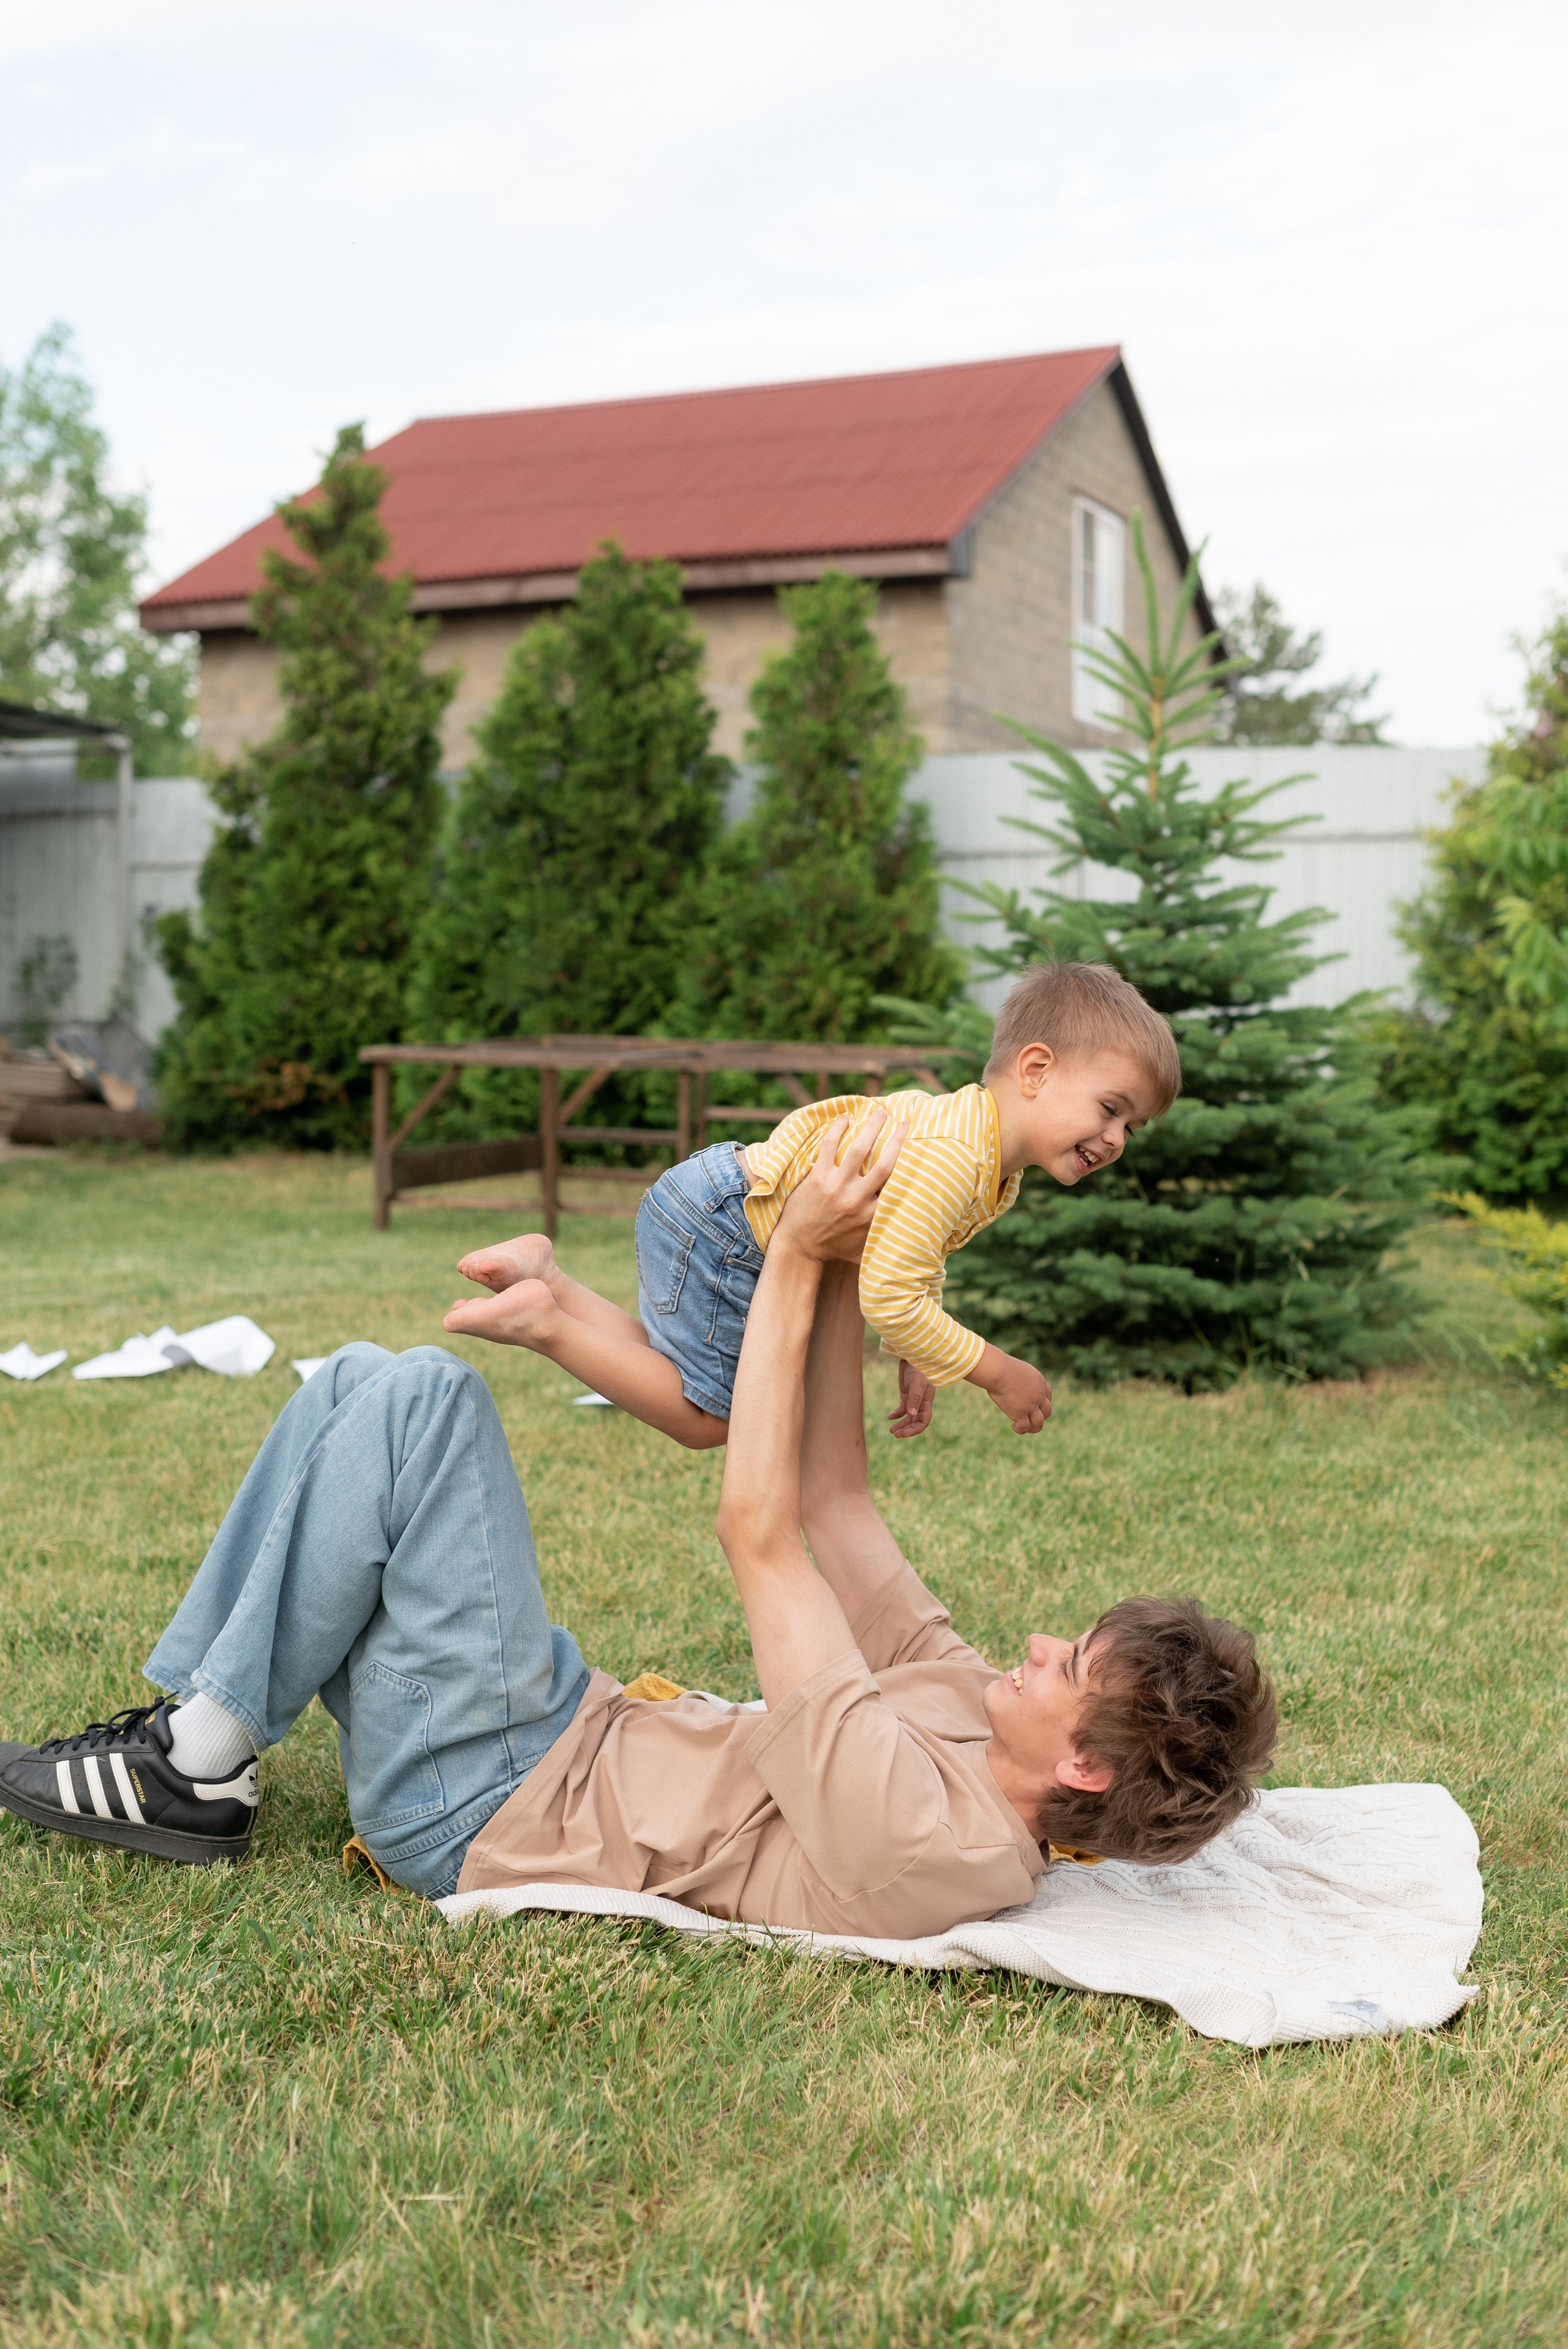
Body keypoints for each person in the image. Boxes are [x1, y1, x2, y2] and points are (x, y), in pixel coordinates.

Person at [0, 1118, 1275, 1923]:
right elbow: (835, 1496)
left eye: (1073, 1665)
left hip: (481, 1802)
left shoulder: (934, 1839)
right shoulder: (961, 1701)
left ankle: (192, 1769)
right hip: (559, 1722)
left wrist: (782, 1268)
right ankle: (199, 1735)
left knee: (427, 1402)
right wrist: (844, 1260)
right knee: (359, 1381)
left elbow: (762, 1531)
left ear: (1087, 1770)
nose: (1042, 1642)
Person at [443, 961, 1182, 1448]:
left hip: (719, 1200)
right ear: (1036, 1069)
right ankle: (542, 1322)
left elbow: (909, 1254)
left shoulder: (982, 1148)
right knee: (710, 1419)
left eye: (1133, 1126)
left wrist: (912, 1353)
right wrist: (993, 1369)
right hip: (733, 1222)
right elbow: (889, 1293)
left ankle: (551, 1284)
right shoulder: (962, 1153)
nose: (1117, 1139)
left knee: (677, 1369)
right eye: (1110, 1109)